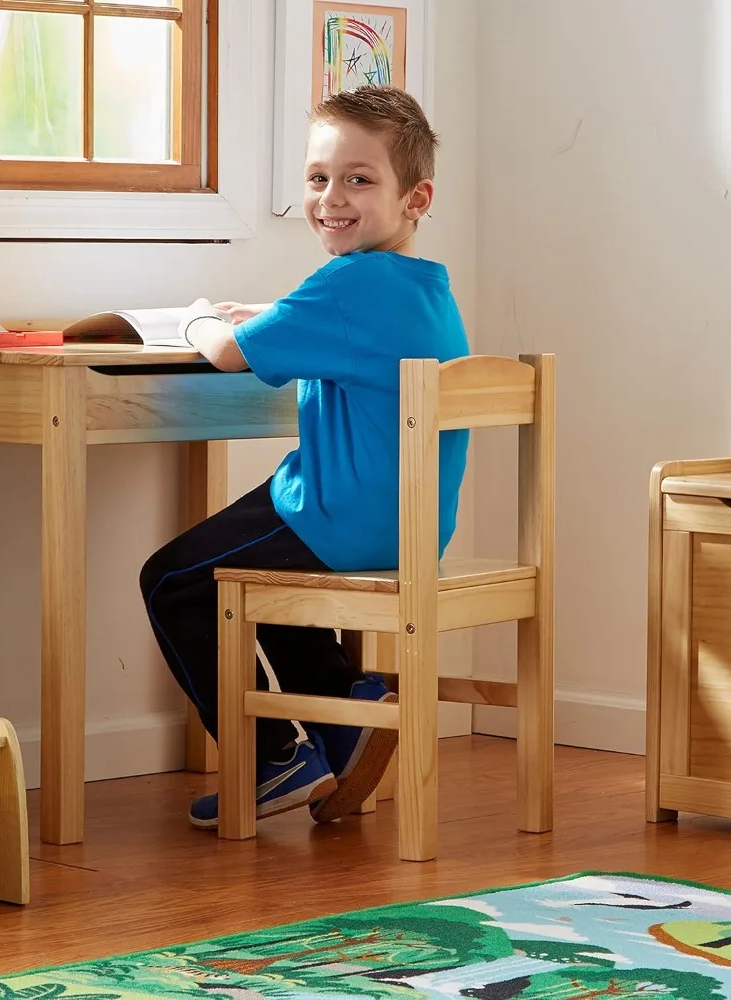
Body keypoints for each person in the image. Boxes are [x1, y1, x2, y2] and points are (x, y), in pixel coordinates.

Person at [139, 85, 470, 830]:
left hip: (339, 516)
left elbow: (227, 355)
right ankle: (345, 714)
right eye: (318, 178)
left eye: (359, 179)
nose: (331, 198)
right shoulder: (422, 286)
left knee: (171, 578)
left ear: (416, 198)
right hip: (407, 526)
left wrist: (197, 318)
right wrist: (266, 319)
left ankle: (268, 758)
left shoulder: (350, 281)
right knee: (261, 577)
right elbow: (318, 327)